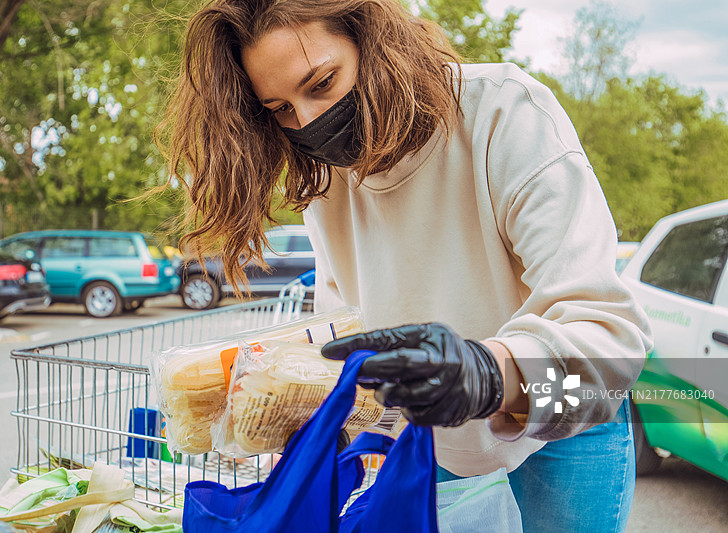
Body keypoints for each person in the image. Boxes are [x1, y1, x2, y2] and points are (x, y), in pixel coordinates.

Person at [156, 0, 653, 531]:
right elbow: (345, 335)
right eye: (280, 108)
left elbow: (613, 350)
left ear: (373, 40)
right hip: (435, 442)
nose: (308, 123)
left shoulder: (506, 114)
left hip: (564, 421)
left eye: (322, 82)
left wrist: (489, 373)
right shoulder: (326, 183)